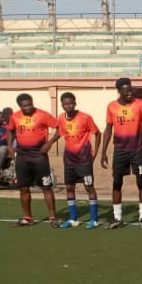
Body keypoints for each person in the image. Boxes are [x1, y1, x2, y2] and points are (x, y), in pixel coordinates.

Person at [100, 77, 142, 228]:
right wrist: (103, 152)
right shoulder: (111, 107)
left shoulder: (141, 105)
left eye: (131, 89)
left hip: (137, 151)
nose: (130, 92)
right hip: (120, 151)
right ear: (119, 91)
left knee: (141, 182)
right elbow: (108, 129)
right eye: (126, 90)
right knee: (117, 183)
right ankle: (117, 217)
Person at [50, 92, 101, 228]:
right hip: (69, 160)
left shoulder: (85, 117)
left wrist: (95, 152)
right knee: (69, 187)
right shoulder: (61, 118)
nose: (68, 106)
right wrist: (49, 143)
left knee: (89, 187)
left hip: (84, 160)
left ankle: (94, 219)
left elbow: (97, 133)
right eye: (65, 103)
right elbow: (59, 133)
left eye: (71, 103)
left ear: (75, 103)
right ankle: (73, 219)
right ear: (62, 105)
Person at [6, 93, 58, 226]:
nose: (28, 107)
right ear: (20, 106)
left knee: (46, 187)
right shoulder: (15, 117)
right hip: (22, 157)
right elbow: (11, 131)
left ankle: (53, 217)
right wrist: (10, 146)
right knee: (23, 188)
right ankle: (27, 217)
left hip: (39, 156)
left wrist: (50, 143)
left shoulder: (43, 115)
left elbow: (59, 128)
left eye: (30, 104)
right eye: (25, 105)